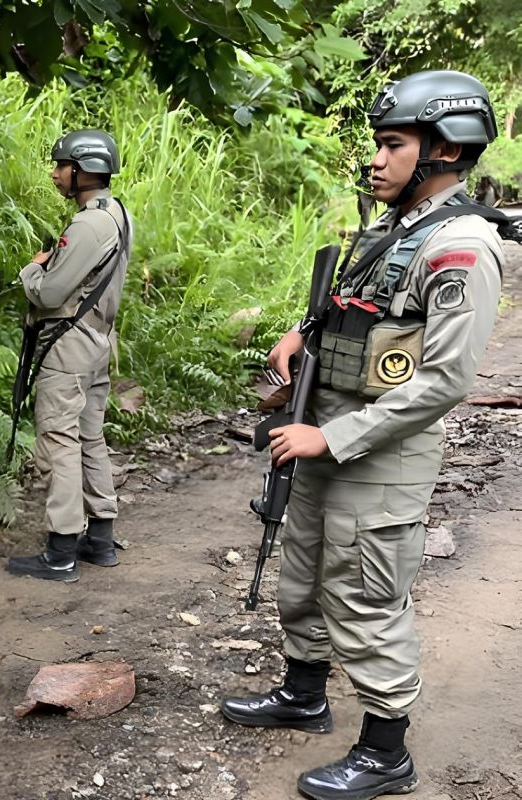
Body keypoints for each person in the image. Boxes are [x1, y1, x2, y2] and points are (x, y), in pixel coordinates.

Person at [222, 70, 507, 800]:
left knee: (366, 595)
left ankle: (386, 753)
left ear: (444, 148)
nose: (375, 159)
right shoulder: (393, 228)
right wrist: (298, 334)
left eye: (392, 144)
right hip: (324, 429)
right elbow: (356, 310)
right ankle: (304, 694)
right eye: (376, 145)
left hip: (378, 454)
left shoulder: (463, 246)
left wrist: (334, 438)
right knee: (306, 573)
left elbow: (442, 382)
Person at [7, 129, 132, 582]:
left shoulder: (87, 224)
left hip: (70, 345)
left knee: (60, 439)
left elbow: (52, 291)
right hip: (97, 342)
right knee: (89, 435)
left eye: (62, 166)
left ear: (82, 170)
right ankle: (99, 537)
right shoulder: (115, 213)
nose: (55, 173)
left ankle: (60, 550)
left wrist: (32, 270)